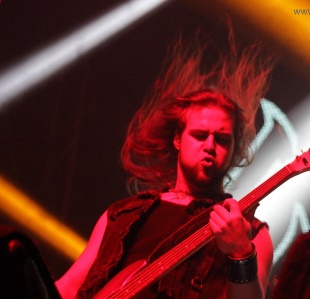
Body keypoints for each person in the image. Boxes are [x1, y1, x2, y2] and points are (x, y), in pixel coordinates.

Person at [55, 26, 275, 299]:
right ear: (177, 140)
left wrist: (241, 254)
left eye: (222, 139)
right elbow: (68, 287)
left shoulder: (250, 231)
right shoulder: (121, 215)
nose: (209, 146)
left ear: (233, 150)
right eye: (199, 135)